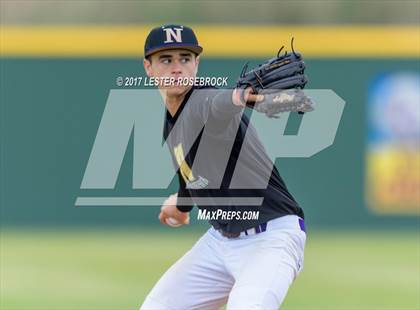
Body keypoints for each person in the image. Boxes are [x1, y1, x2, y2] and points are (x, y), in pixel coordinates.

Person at [140, 24, 306, 310]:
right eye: (166, 60)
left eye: (185, 58)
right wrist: (181, 206)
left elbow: (219, 106)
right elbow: (194, 176)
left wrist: (240, 96)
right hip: (219, 242)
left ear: (197, 64)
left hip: (270, 238)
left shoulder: (203, 101)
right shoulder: (173, 121)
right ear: (149, 68)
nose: (177, 68)